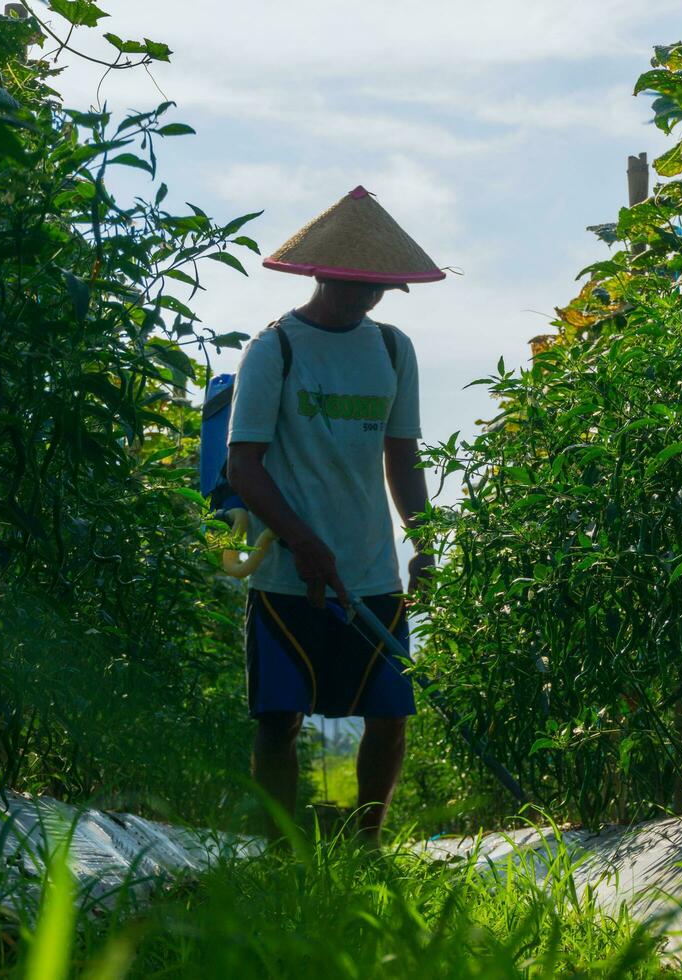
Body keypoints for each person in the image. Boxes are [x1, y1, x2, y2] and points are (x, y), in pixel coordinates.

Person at [225, 186, 445, 845]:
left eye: (375, 289)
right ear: (321, 273)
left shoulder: (392, 350)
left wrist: (425, 543)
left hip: (372, 566)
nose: (361, 298)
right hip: (289, 576)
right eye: (351, 285)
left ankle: (367, 841)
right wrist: (300, 539)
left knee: (389, 711)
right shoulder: (275, 350)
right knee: (279, 718)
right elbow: (244, 466)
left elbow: (401, 457)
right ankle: (281, 851)